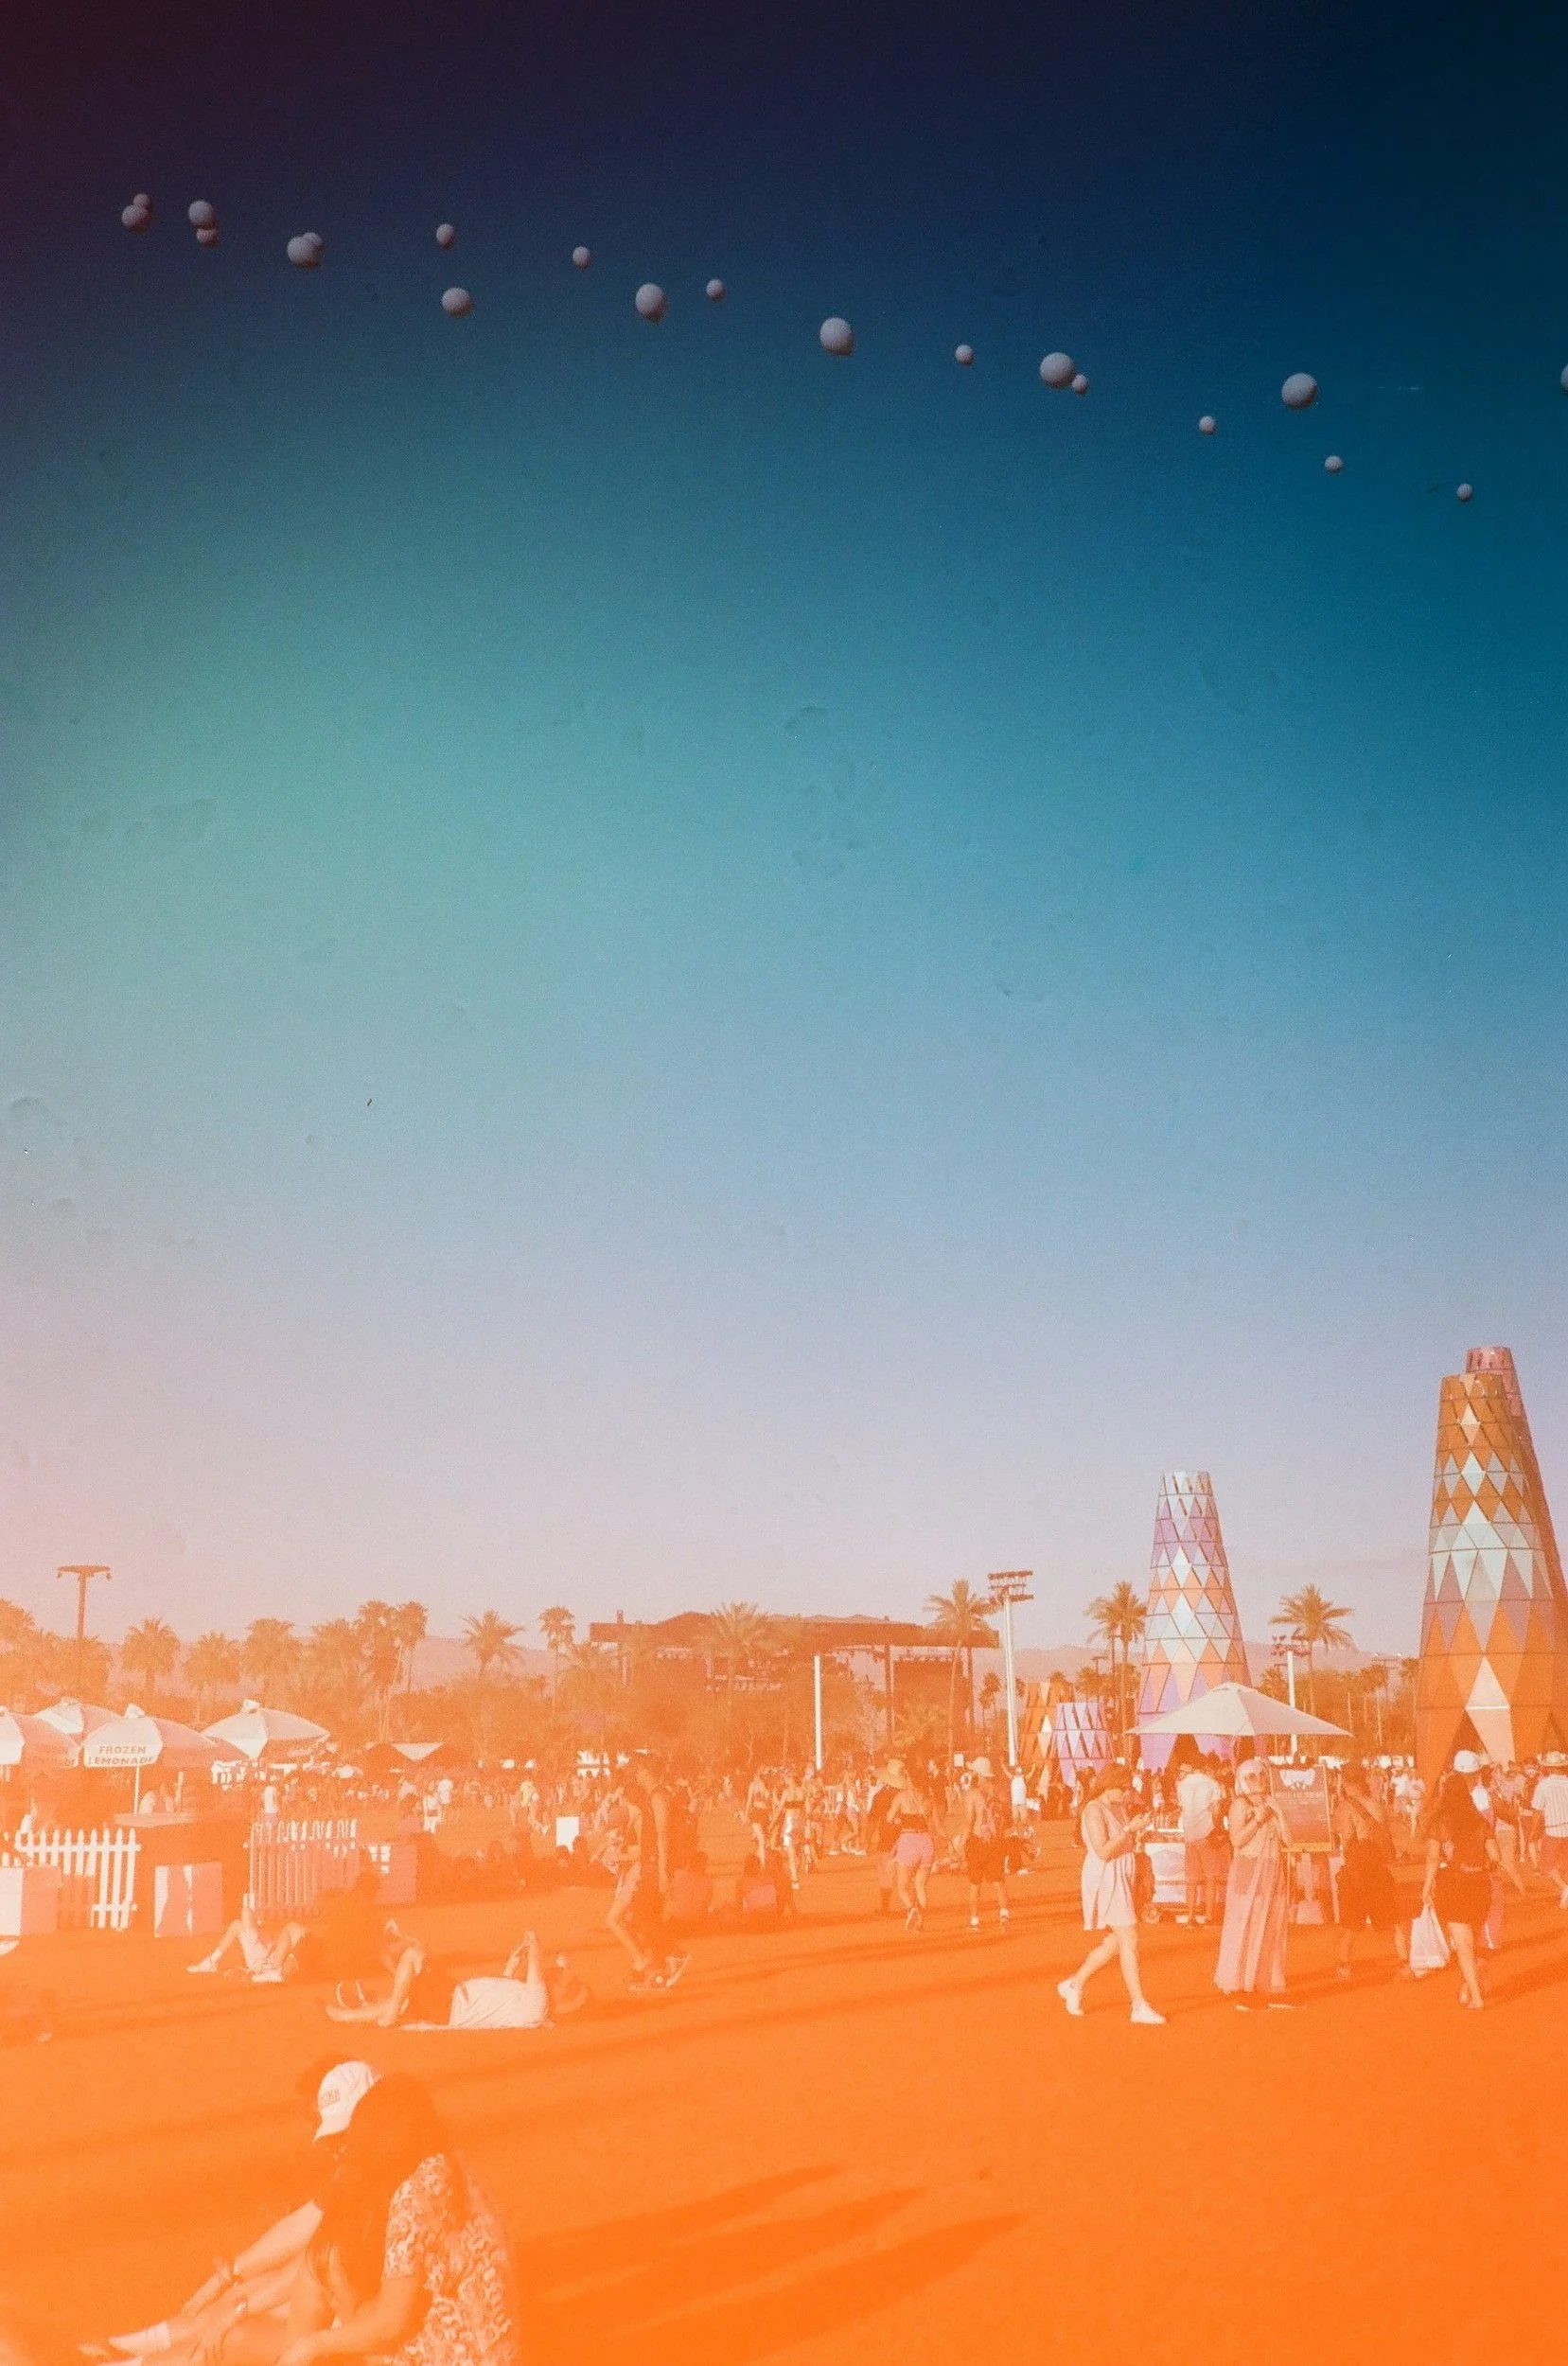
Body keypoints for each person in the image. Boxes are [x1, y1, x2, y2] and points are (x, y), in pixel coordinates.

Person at [97, 2063, 381, 2366]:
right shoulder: (359, 2172)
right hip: (346, 2307)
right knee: (241, 2300)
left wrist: (240, 2306)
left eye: (339, 2132)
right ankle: (123, 2351)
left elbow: (318, 2265)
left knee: (235, 2336)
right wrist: (230, 2278)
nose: (330, 2146)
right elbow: (307, 2231)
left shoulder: (381, 2185)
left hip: (361, 2327)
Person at [274, 2073, 520, 2366]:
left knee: (327, 2268)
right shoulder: (455, 2169)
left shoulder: (414, 2197)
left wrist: (313, 2344)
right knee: (338, 2277)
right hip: (495, 2354)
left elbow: (391, 2324)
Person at [1056, 1763, 1164, 2024]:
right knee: (1129, 1937)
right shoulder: (1094, 1810)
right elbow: (1103, 1851)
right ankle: (1138, 2004)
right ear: (1110, 1786)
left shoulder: (1119, 1807)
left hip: (1123, 1875)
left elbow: (1124, 1843)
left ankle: (1075, 1983)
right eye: (1124, 1789)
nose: (1128, 1794)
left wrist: (1138, 1830)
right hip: (1106, 1878)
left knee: (1115, 1942)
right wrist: (1129, 1830)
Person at [1213, 1757, 1293, 2010]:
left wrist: (1278, 1813)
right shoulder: (1240, 1804)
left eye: (1261, 1775)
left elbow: (1289, 1840)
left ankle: (1263, 1981)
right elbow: (1236, 1840)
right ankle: (1241, 1983)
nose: (1258, 1780)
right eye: (1251, 1776)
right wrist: (1257, 1819)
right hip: (1249, 1874)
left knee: (1270, 1927)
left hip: (1272, 1872)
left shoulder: (1271, 1802)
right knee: (1246, 1925)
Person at [1423, 1763, 1499, 2009]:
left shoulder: (1440, 1823)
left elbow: (1432, 1859)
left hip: (1453, 1884)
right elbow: (1495, 1855)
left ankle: (1476, 1996)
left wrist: (1426, 1887)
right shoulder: (1480, 1821)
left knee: (1463, 1945)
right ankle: (1468, 1986)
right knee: (1472, 1941)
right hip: (1479, 1884)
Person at [1334, 1759, 1407, 1979]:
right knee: (1393, 1921)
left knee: (1351, 1923)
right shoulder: (1376, 1805)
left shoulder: (1345, 1808)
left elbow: (1348, 1841)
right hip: (1379, 1869)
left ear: (1345, 1781)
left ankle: (1344, 1967)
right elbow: (1385, 1837)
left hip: (1358, 1870)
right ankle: (1405, 1964)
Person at [960, 1758, 1012, 1930]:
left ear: (978, 1774)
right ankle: (1004, 1914)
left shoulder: (972, 1795)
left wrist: (961, 1845)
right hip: (996, 1842)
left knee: (975, 1884)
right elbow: (1006, 1820)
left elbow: (969, 1823)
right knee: (999, 1882)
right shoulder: (998, 1793)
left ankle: (975, 1921)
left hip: (977, 1842)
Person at [1175, 1757, 1225, 1927]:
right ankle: (1209, 1917)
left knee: (1191, 1880)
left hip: (1189, 1836)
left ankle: (1191, 1917)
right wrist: (1218, 1826)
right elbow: (1217, 1811)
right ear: (1206, 1767)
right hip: (1206, 1834)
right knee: (1211, 1878)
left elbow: (1182, 1807)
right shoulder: (1212, 1784)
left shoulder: (1182, 1784)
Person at [886, 1765, 936, 1933]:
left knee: (903, 1887)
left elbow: (889, 1818)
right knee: (920, 1886)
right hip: (926, 1841)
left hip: (908, 1840)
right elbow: (935, 1824)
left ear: (910, 1780)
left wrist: (899, 1820)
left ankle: (910, 1908)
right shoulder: (929, 1799)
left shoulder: (902, 1796)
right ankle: (920, 1922)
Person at [1529, 1750, 1568, 1906]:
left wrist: (1533, 1832)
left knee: (1546, 1865)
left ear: (1548, 1767)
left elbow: (1537, 1811)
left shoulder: (1543, 1785)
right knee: (1564, 1864)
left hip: (1553, 1831)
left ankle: (1564, 1888)